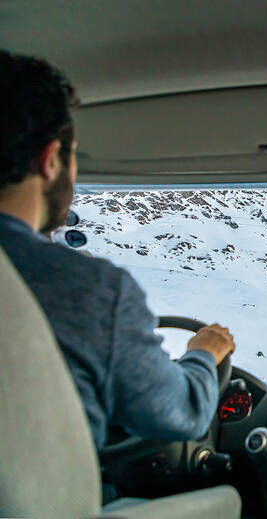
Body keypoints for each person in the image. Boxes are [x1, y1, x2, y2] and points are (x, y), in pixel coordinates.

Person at [0, 50, 235, 449]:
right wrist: (203, 353)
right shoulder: (88, 291)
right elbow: (184, 413)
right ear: (50, 160)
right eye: (74, 156)